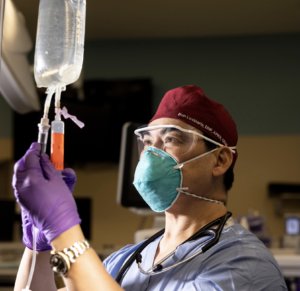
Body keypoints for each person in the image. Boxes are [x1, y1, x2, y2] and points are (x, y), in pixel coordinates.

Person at [12, 85, 287, 291]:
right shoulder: (125, 261)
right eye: (147, 142)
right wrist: (39, 246)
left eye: (172, 139)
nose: (152, 154)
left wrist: (65, 233)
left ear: (220, 159)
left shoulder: (245, 265)